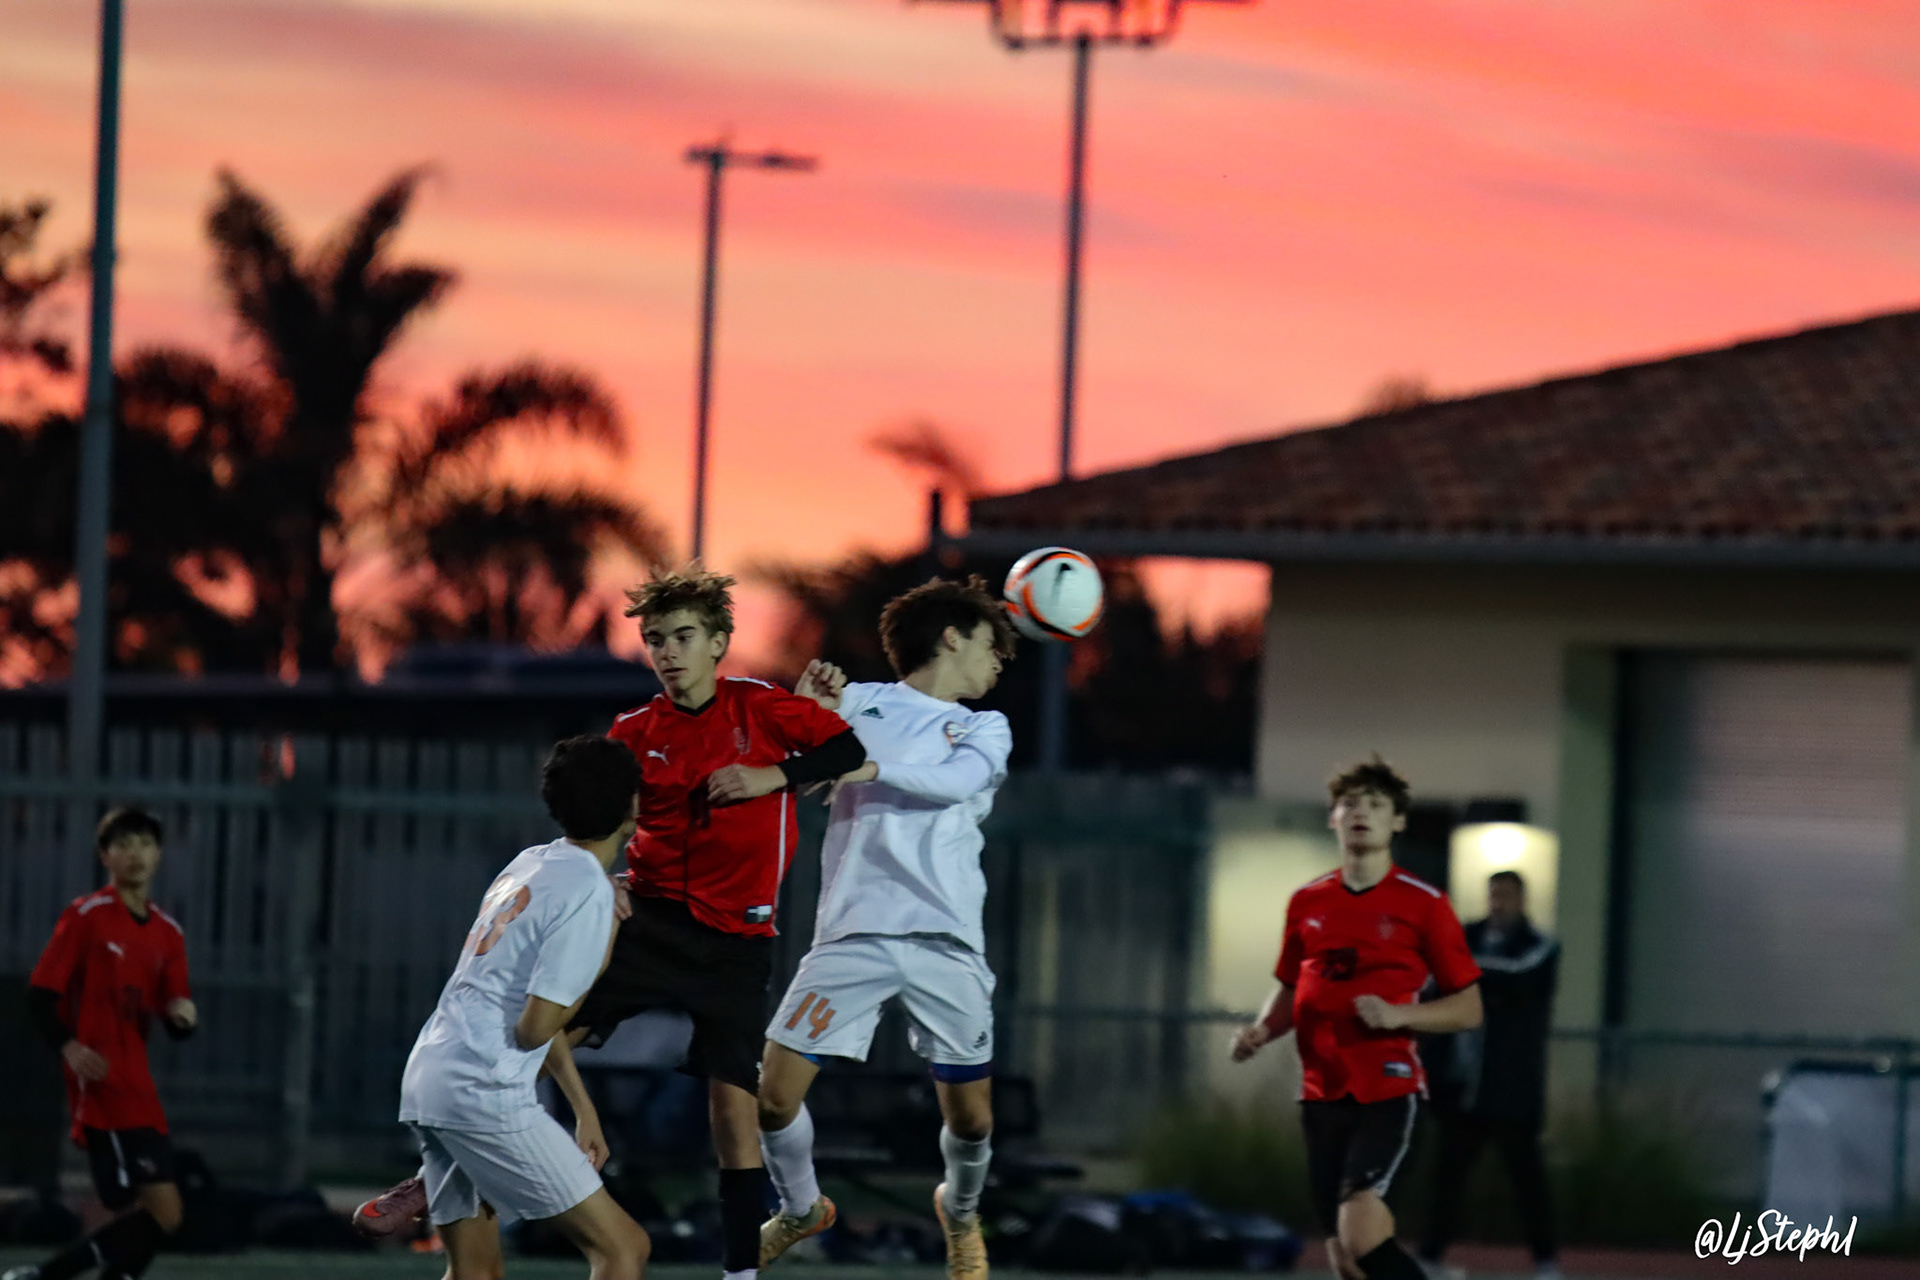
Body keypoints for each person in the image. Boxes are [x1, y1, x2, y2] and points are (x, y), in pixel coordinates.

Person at [360, 568, 865, 1280]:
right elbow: (599, 815)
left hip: (737, 939)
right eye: (655, 640)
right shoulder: (633, 731)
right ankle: (443, 1165)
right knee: (545, 1036)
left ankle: (740, 1273)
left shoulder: (760, 707)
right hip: (651, 917)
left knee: (733, 1113)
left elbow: (849, 753)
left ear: (719, 642)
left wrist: (772, 776)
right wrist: (606, 882)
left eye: (684, 636)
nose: (669, 652)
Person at [755, 576, 1017, 1280]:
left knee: (972, 1121)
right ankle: (801, 1208)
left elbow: (956, 783)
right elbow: (791, 771)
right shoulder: (858, 702)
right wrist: (808, 711)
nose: (999, 663)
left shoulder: (986, 727)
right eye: (992, 645)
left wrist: (863, 764)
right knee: (772, 1099)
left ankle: (960, 1210)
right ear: (952, 637)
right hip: (854, 933)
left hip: (945, 940)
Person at [397, 735, 651, 1280]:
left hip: (432, 1076)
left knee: (475, 1272)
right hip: (483, 1091)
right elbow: (536, 1028)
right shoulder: (590, 893)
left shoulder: (531, 862)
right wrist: (606, 939)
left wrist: (582, 1108)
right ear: (633, 808)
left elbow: (525, 1008)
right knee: (623, 1250)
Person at [1230, 757, 1484, 1280]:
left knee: (1361, 1233)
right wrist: (1262, 1030)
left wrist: (1397, 1014)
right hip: (1320, 1094)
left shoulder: (1425, 904)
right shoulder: (1307, 901)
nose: (1360, 812)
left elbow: (1468, 1008)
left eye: (1375, 804)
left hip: (1386, 1092)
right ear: (1333, 818)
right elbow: (1292, 986)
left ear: (1398, 821)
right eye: (1350, 803)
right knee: (1347, 1261)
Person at [7, 808, 197, 1280]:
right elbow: (39, 996)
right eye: (124, 845)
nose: (136, 854)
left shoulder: (168, 933)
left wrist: (183, 1016)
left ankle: (43, 1277)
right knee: (157, 1210)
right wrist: (70, 1047)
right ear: (105, 856)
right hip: (103, 1086)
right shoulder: (87, 917)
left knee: (160, 1216)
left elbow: (175, 1008)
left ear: (159, 854)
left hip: (139, 1088)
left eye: (145, 844)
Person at [1418, 870, 1561, 1280]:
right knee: (1448, 1178)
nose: (1499, 903)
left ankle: (1545, 1262)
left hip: (1510, 1090)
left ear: (1522, 899)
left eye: (1507, 895)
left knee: (1527, 1179)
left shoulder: (1538, 945)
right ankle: (1430, 1257)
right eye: (1494, 894)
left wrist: (1466, 972)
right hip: (1462, 1088)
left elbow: (1519, 975)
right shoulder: (1465, 936)